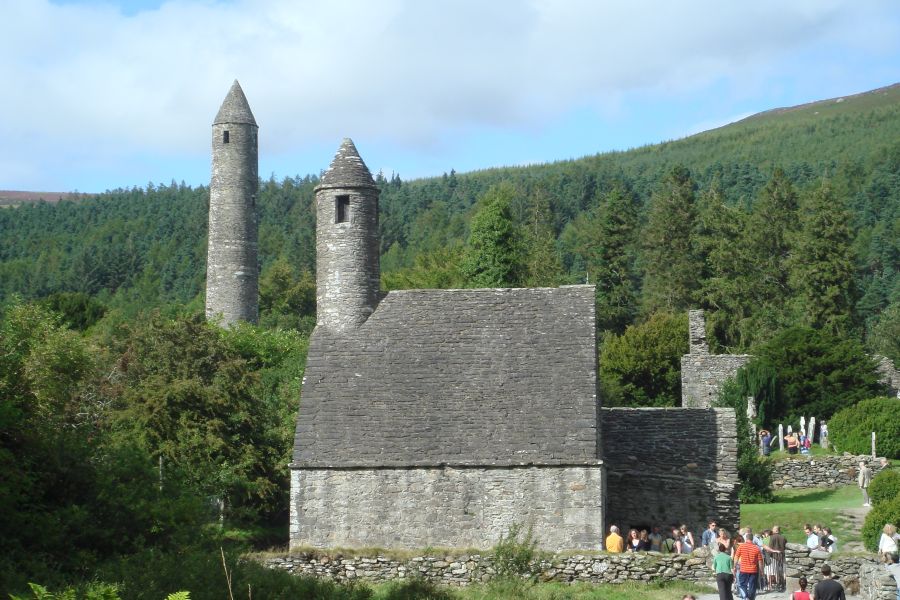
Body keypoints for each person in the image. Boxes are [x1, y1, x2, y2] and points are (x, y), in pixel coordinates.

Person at [733, 532, 763, 600]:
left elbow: (736, 557)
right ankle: (750, 598)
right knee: (752, 586)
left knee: (742, 584)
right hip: (753, 570)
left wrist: (734, 566)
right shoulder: (756, 548)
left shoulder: (741, 547)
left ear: (746, 538)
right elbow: (760, 561)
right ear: (752, 539)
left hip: (743, 569)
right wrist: (761, 571)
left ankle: (745, 596)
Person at [767, 525, 787, 592]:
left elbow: (770, 548)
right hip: (782, 556)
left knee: (776, 571)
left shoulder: (772, 537)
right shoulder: (783, 537)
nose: (772, 530)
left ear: (775, 530)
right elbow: (786, 547)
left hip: (774, 557)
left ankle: (778, 585)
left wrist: (769, 556)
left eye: (773, 529)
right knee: (782, 571)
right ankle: (783, 584)